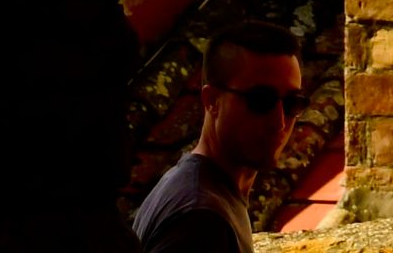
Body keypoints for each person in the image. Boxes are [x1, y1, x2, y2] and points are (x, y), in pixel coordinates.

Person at [132, 22, 309, 251]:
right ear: (212, 101)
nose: (280, 122)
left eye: (292, 103)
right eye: (261, 100)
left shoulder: (199, 194)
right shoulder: (201, 221)